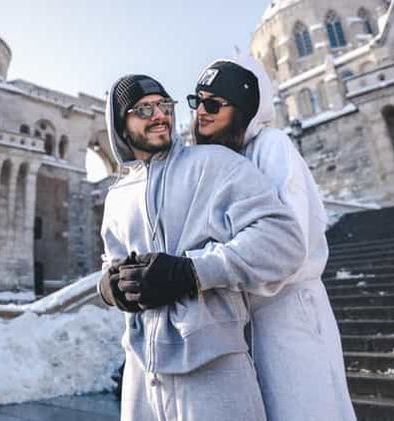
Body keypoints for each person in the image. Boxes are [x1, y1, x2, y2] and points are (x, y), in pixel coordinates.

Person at [98, 74, 306, 421]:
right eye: (143, 109)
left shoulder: (216, 165)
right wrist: (109, 286)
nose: (159, 115)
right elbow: (112, 260)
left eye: (163, 104)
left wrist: (192, 272)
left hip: (214, 366)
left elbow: (282, 240)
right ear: (121, 124)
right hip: (142, 375)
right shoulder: (117, 197)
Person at [189, 58, 356, 421]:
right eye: (197, 101)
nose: (201, 112)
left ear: (243, 108)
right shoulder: (224, 157)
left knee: (306, 407)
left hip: (290, 311)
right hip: (249, 317)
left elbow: (289, 239)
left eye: (213, 104)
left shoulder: (273, 145)